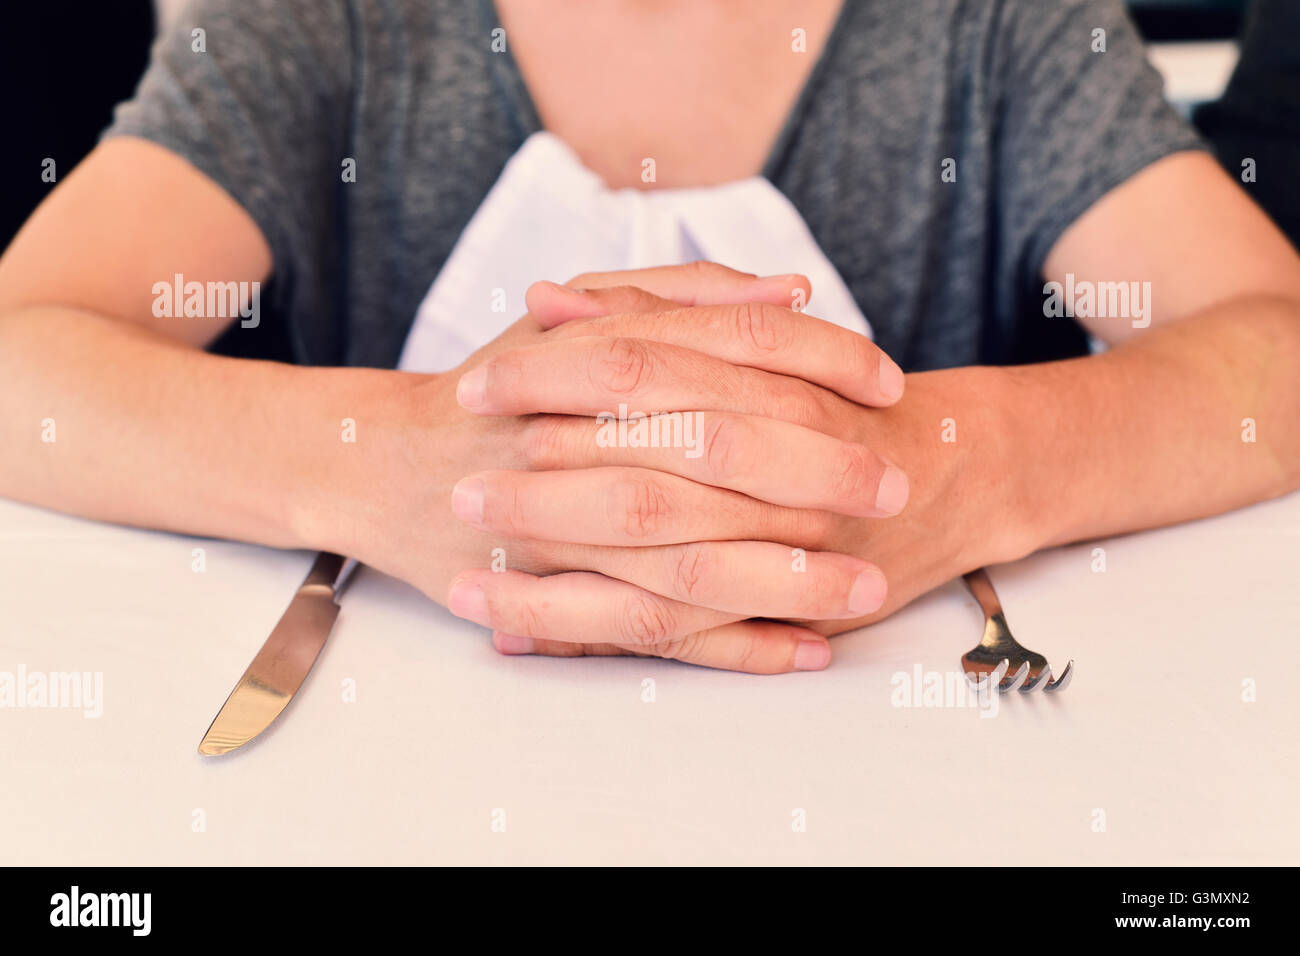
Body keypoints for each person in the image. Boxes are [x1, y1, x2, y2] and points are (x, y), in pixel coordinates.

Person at [2, 0, 1298, 674]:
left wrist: (958, 463)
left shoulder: (994, 29)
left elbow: (1274, 344)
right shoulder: (327, 24)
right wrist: (387, 458)